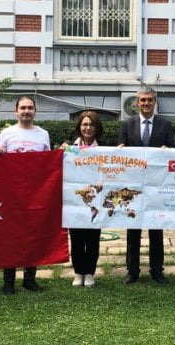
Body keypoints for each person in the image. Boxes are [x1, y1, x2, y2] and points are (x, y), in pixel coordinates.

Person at [0, 96, 51, 295]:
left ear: (35, 111)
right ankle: (8, 281)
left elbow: (48, 164)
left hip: (35, 194)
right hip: (11, 194)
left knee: (33, 236)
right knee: (10, 237)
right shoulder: (7, 133)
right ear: (16, 111)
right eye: (23, 108)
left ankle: (29, 279)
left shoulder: (43, 134)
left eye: (30, 108)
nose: (26, 111)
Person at [118, 87, 175, 285]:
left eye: (150, 100)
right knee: (133, 229)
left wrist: (168, 150)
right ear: (137, 103)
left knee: (156, 229)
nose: (146, 103)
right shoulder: (127, 124)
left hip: (157, 184)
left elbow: (173, 150)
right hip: (132, 184)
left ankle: (157, 270)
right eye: (143, 100)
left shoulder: (165, 124)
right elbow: (121, 149)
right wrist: (119, 151)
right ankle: (132, 271)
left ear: (155, 102)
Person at [63, 111, 103, 287]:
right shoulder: (70, 149)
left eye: (91, 125)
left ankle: (90, 273)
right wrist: (61, 153)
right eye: (85, 124)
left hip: (95, 200)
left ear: (97, 128)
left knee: (93, 238)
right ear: (79, 127)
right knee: (77, 238)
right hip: (75, 200)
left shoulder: (104, 150)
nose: (88, 128)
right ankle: (78, 272)